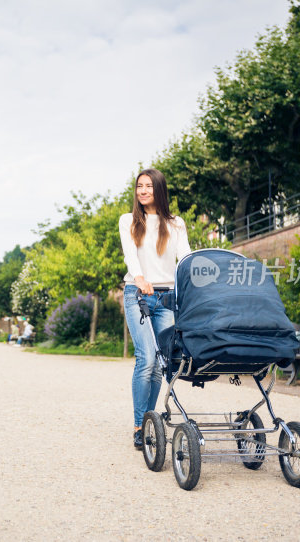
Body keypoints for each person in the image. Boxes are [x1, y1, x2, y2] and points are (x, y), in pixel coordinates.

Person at [119, 168, 191, 450]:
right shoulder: (129, 221)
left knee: (161, 365)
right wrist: (138, 278)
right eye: (140, 186)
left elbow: (184, 257)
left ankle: (151, 422)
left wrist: (191, 283)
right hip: (138, 294)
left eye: (149, 186)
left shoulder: (176, 224)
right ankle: (139, 425)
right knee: (146, 358)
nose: (143, 191)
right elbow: (130, 253)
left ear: (159, 189)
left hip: (167, 297)